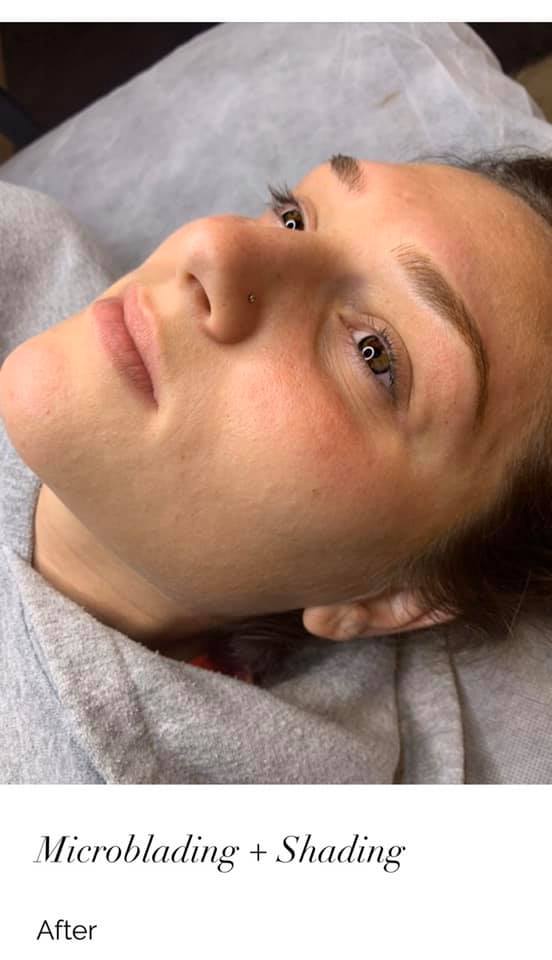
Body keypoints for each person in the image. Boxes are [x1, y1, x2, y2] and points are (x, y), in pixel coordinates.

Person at [1, 151, 552, 783]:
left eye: (374, 355)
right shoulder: (27, 243)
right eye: (293, 217)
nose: (214, 241)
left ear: (389, 600)